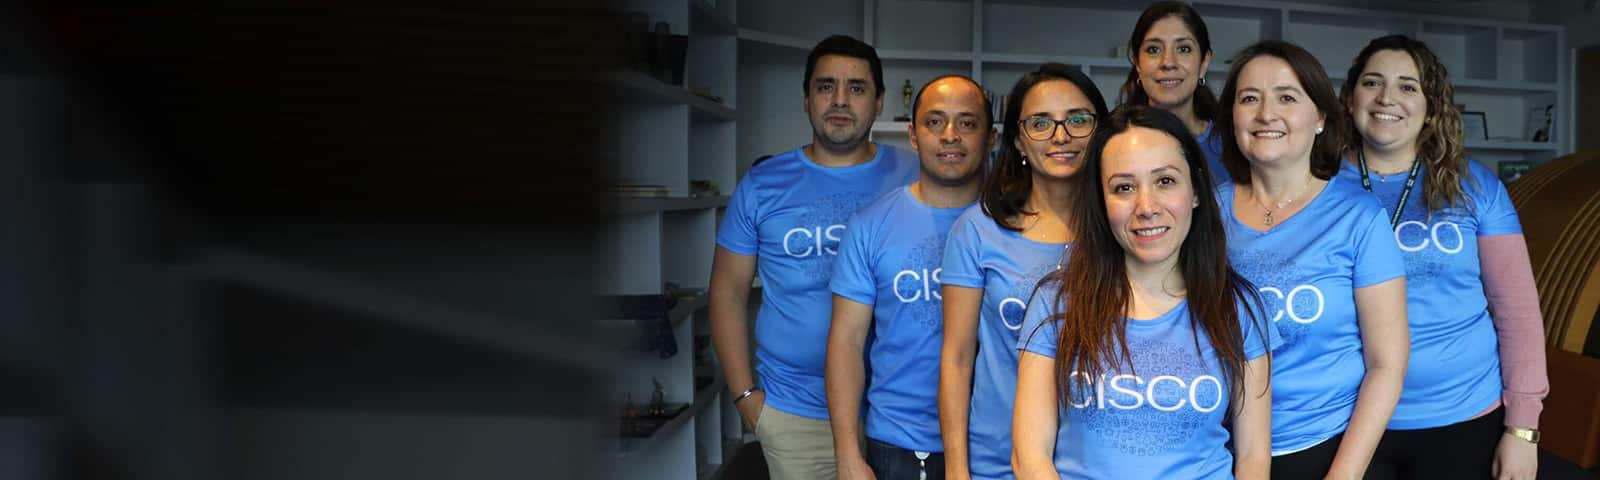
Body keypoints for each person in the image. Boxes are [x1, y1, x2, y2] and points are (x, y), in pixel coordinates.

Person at [1012, 104, 1279, 479]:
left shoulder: (1238, 307)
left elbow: (1253, 458)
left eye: (1165, 181)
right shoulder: (1056, 302)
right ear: (1102, 204)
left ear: (1196, 191)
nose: (1146, 207)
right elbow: (1029, 457)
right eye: (1124, 187)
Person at [1336, 34, 1548, 480]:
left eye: (1408, 86)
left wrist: (1523, 429)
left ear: (1431, 107)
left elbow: (1518, 312)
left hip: (1463, 415)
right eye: (1372, 83)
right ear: (1350, 97)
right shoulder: (1317, 185)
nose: (1387, 98)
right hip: (1347, 420)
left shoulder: (1476, 187)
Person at [708, 34, 919, 480]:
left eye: (856, 88)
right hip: (797, 414)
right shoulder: (763, 184)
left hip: (901, 410)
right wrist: (746, 396)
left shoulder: (915, 175)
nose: (840, 100)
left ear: (880, 102)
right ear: (806, 99)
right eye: (826, 86)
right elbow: (727, 292)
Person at [1212, 40, 1410, 478]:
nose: (1266, 113)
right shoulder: (1203, 214)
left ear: (1320, 117)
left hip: (1326, 449)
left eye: (1286, 97)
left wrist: (1343, 475)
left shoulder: (1358, 217)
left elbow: (1387, 364)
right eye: (1249, 98)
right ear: (1232, 118)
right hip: (1218, 452)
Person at [937, 63, 1109, 480]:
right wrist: (958, 470)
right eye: (1040, 123)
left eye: (1078, 120)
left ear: (1101, 130)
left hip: (1094, 462)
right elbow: (957, 359)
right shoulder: (978, 230)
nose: (1060, 136)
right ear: (1017, 140)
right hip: (996, 458)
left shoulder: (1123, 227)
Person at [826, 75, 995, 480]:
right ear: (914, 136)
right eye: (935, 122)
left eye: (967, 123)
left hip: (994, 444)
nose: (950, 136)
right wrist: (848, 453)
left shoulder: (1014, 228)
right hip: (897, 444)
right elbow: (846, 343)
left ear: (991, 139)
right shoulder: (870, 225)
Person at [1121, 1, 1227, 186]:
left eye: (1183, 49)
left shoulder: (1232, 144)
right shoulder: (1117, 142)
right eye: (1154, 49)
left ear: (1204, 63)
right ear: (1137, 62)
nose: (1168, 62)